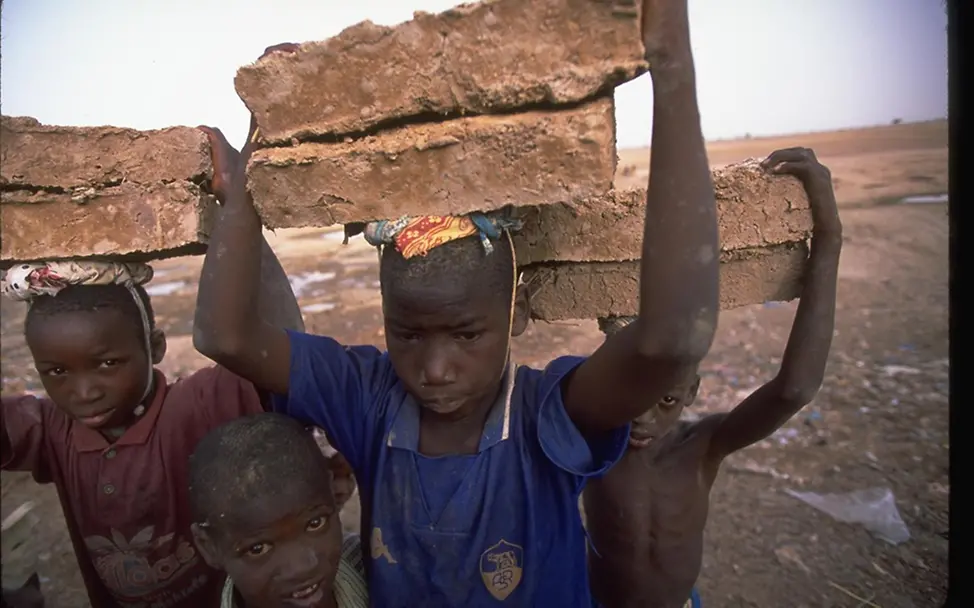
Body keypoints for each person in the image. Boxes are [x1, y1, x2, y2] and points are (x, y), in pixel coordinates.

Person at [193, 0, 720, 603]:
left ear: (512, 315)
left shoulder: (547, 417)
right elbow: (225, 336)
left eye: (467, 335)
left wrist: (672, 64)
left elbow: (672, 338)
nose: (434, 369)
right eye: (408, 335)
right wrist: (257, 157)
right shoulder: (369, 400)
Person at [0, 99, 304, 606]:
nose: (84, 390)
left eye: (107, 363)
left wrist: (239, 200)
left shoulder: (198, 406)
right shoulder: (51, 430)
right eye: (55, 371)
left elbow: (281, 343)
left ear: (156, 347)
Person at [582, 148, 842, 608]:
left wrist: (829, 236)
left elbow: (796, 388)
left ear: (692, 393)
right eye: (630, 394)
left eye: (664, 400)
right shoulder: (590, 445)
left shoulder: (703, 447)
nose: (641, 417)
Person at [188, 413, 367, 608]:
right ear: (208, 547)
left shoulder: (373, 567)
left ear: (332, 495)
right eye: (258, 549)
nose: (301, 567)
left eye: (315, 523)